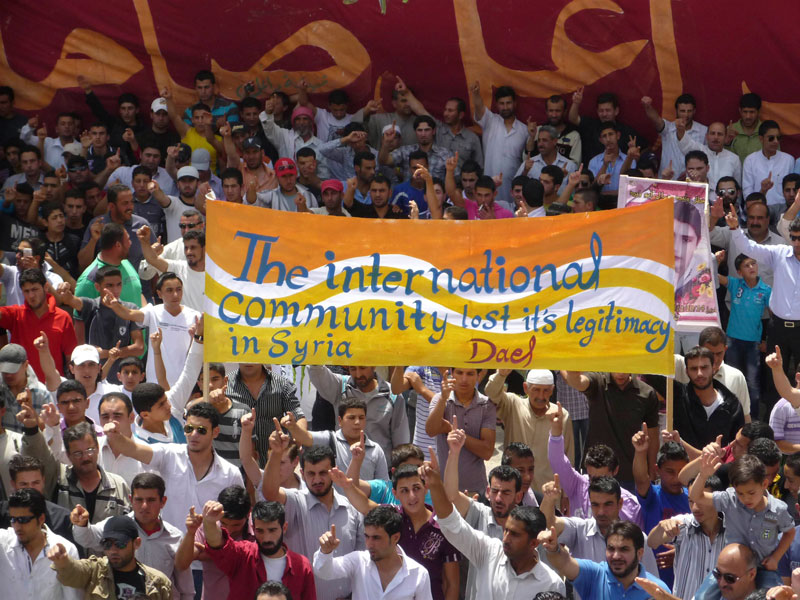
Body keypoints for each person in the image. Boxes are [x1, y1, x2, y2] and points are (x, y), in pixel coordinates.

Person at [421, 453, 566, 599]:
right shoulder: (489, 552)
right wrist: (435, 484)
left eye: (515, 534)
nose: (506, 538)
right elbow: (451, 524)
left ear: (534, 543)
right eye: (506, 531)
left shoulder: (552, 584)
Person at [103, 401, 244, 535]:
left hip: (210, 557)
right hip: (169, 552)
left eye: (201, 430)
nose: (194, 435)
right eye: (189, 429)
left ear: (215, 432)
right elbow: (134, 449)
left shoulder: (231, 474)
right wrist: (115, 436)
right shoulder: (169, 454)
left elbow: (239, 518)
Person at [261, 430, 365, 600]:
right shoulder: (295, 501)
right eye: (311, 474)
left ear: (333, 471)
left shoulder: (352, 509)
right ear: (302, 474)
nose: (317, 480)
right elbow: (270, 492)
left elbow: (362, 563)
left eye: (323, 473)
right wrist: (276, 453)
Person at [333, 463, 460, 600]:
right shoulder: (391, 516)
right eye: (404, 490)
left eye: (416, 488)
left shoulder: (443, 527)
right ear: (395, 494)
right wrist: (347, 486)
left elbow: (451, 584)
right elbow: (365, 505)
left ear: (426, 488)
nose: (412, 496)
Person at [71, 472, 194, 598]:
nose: (144, 506)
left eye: (151, 500)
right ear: (130, 500)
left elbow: (186, 589)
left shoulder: (175, 537)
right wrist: (81, 523)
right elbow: (86, 538)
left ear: (163, 501)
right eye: (139, 500)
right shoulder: (115, 526)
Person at [724, 204, 800, 407]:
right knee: (773, 373)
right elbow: (750, 248)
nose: (796, 243)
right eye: (793, 237)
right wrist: (735, 229)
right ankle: (773, 421)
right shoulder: (780, 253)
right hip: (778, 327)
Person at [691, 452, 794, 589]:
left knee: (771, 594)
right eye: (740, 493)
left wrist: (776, 557)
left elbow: (790, 532)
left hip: (763, 569)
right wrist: (703, 475)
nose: (746, 499)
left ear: (764, 484)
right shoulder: (729, 500)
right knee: (703, 595)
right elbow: (696, 497)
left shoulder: (777, 509)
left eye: (751, 493)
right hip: (730, 570)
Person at [539, 475, 659, 575]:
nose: (601, 512)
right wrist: (549, 499)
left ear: (620, 503)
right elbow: (550, 523)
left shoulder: (639, 538)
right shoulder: (579, 529)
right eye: (595, 505)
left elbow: (652, 586)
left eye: (608, 504)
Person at [202, 499, 316, 600]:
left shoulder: (301, 566)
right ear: (253, 528)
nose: (266, 538)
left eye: (272, 530)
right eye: (260, 531)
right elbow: (218, 545)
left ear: (284, 527)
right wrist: (210, 522)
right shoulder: (242, 555)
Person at [562, 371, 659, 487]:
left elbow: (653, 436)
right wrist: (573, 372)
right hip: (597, 473)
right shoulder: (598, 382)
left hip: (631, 476)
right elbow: (578, 382)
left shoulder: (647, 393)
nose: (620, 374)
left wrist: (652, 470)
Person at [314, 505, 432, 600]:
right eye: (367, 536)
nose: (369, 544)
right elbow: (324, 572)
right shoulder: (358, 561)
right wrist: (325, 551)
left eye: (376, 538)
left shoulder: (419, 574)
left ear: (395, 537)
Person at [484, 369, 573, 491]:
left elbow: (568, 458)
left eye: (546, 390)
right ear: (526, 388)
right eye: (536, 390)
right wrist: (501, 375)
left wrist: (567, 493)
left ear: (552, 390)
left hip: (548, 490)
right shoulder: (513, 404)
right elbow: (491, 393)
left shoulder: (561, 415)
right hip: (513, 489)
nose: (541, 396)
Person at [48, 514, 173, 599]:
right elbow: (74, 572)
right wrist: (63, 561)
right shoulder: (94, 572)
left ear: (136, 543)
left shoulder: (158, 583)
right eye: (107, 544)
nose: (113, 550)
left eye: (120, 544)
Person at [540, 518, 668, 600]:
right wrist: (553, 548)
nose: (616, 556)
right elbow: (565, 562)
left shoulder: (658, 591)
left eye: (624, 549)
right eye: (611, 549)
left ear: (640, 553)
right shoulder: (594, 575)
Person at [309, 364, 408, 465]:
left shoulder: (393, 395)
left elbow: (401, 441)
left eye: (362, 368)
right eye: (353, 369)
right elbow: (316, 371)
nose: (358, 374)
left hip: (380, 471)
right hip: (344, 468)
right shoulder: (340, 386)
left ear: (373, 366)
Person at [647, 474, 726, 599]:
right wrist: (661, 526)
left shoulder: (733, 531)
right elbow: (652, 542)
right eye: (690, 501)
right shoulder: (684, 524)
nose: (695, 508)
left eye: (701, 500)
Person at [0, 488, 81, 600]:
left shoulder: (66, 549)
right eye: (13, 520)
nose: (17, 526)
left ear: (41, 518)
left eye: (23, 520)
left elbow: (73, 597)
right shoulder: (3, 544)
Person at [425, 367, 495, 494]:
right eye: (459, 373)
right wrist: (442, 399)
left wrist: (451, 430)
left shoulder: (486, 405)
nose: (464, 379)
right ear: (452, 373)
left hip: (475, 489)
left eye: (470, 373)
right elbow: (431, 430)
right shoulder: (439, 399)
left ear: (479, 376)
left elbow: (487, 451)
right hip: (443, 488)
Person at [283, 398, 388, 481]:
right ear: (340, 421)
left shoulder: (376, 450)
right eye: (351, 418)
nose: (357, 422)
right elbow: (305, 437)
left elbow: (383, 486)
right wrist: (292, 427)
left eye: (361, 418)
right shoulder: (329, 440)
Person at [0, 270, 77, 380]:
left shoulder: (63, 317)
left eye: (35, 289)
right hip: (21, 387)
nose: (31, 295)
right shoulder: (15, 314)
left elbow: (71, 357)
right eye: (26, 291)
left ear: (46, 287)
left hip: (53, 387)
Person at [225, 363, 306, 467]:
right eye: (243, 352)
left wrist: (298, 434)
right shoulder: (225, 385)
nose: (248, 360)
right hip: (236, 466)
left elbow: (298, 415)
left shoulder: (282, 384)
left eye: (253, 353)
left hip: (275, 464)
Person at [673, 346, 745, 451]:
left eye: (704, 367)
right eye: (693, 369)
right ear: (686, 371)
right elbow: (650, 372)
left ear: (714, 368)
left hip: (720, 466)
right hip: (683, 466)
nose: (699, 374)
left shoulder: (732, 404)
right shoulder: (678, 395)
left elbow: (739, 445)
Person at [470, 81, 528, 208]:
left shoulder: (524, 130)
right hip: (488, 189)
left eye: (508, 103)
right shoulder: (490, 121)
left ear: (515, 104)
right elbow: (479, 107)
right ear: (497, 105)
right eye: (502, 103)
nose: (505, 107)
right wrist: (476, 94)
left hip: (512, 189)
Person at [78, 184, 155, 276]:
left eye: (132, 202)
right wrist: (93, 240)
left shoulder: (142, 225)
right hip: (107, 288)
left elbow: (155, 262)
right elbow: (83, 264)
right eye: (125, 203)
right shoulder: (97, 225)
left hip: (139, 288)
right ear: (111, 206)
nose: (130, 207)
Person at [640, 93, 707, 179]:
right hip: (667, 180)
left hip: (692, 181)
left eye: (689, 111)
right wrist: (648, 107)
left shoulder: (703, 131)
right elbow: (656, 119)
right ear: (676, 111)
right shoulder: (668, 129)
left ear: (694, 111)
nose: (686, 115)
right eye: (682, 111)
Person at [260, 101, 330, 179]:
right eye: (298, 119)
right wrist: (268, 114)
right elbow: (270, 129)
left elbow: (324, 174)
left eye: (305, 119)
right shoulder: (284, 136)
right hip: (287, 184)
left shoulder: (320, 144)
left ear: (311, 122)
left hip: (312, 186)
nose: (301, 123)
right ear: (293, 122)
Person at [742, 121, 794, 207]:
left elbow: (792, 191)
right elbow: (747, 194)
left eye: (778, 138)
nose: (776, 141)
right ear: (761, 139)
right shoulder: (750, 160)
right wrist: (762, 191)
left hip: (783, 210)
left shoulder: (789, 160)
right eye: (771, 138)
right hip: (757, 208)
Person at [726, 93, 763, 163]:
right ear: (740, 110)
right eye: (745, 112)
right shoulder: (730, 130)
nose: (748, 116)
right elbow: (720, 158)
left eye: (752, 112)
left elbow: (775, 158)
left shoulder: (767, 131)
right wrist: (726, 143)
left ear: (759, 111)